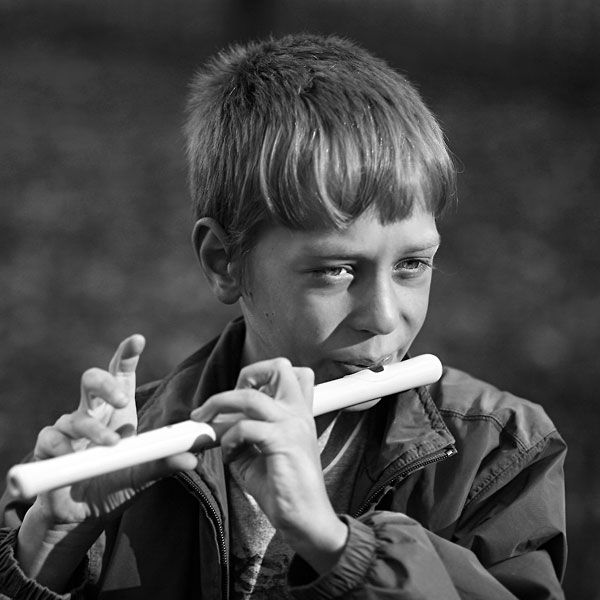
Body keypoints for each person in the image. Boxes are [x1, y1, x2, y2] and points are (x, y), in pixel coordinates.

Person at [0, 33, 566, 599]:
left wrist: (334, 544)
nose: (385, 317)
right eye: (335, 271)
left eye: (413, 264)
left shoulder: (497, 450)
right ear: (225, 263)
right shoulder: (126, 448)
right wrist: (48, 549)